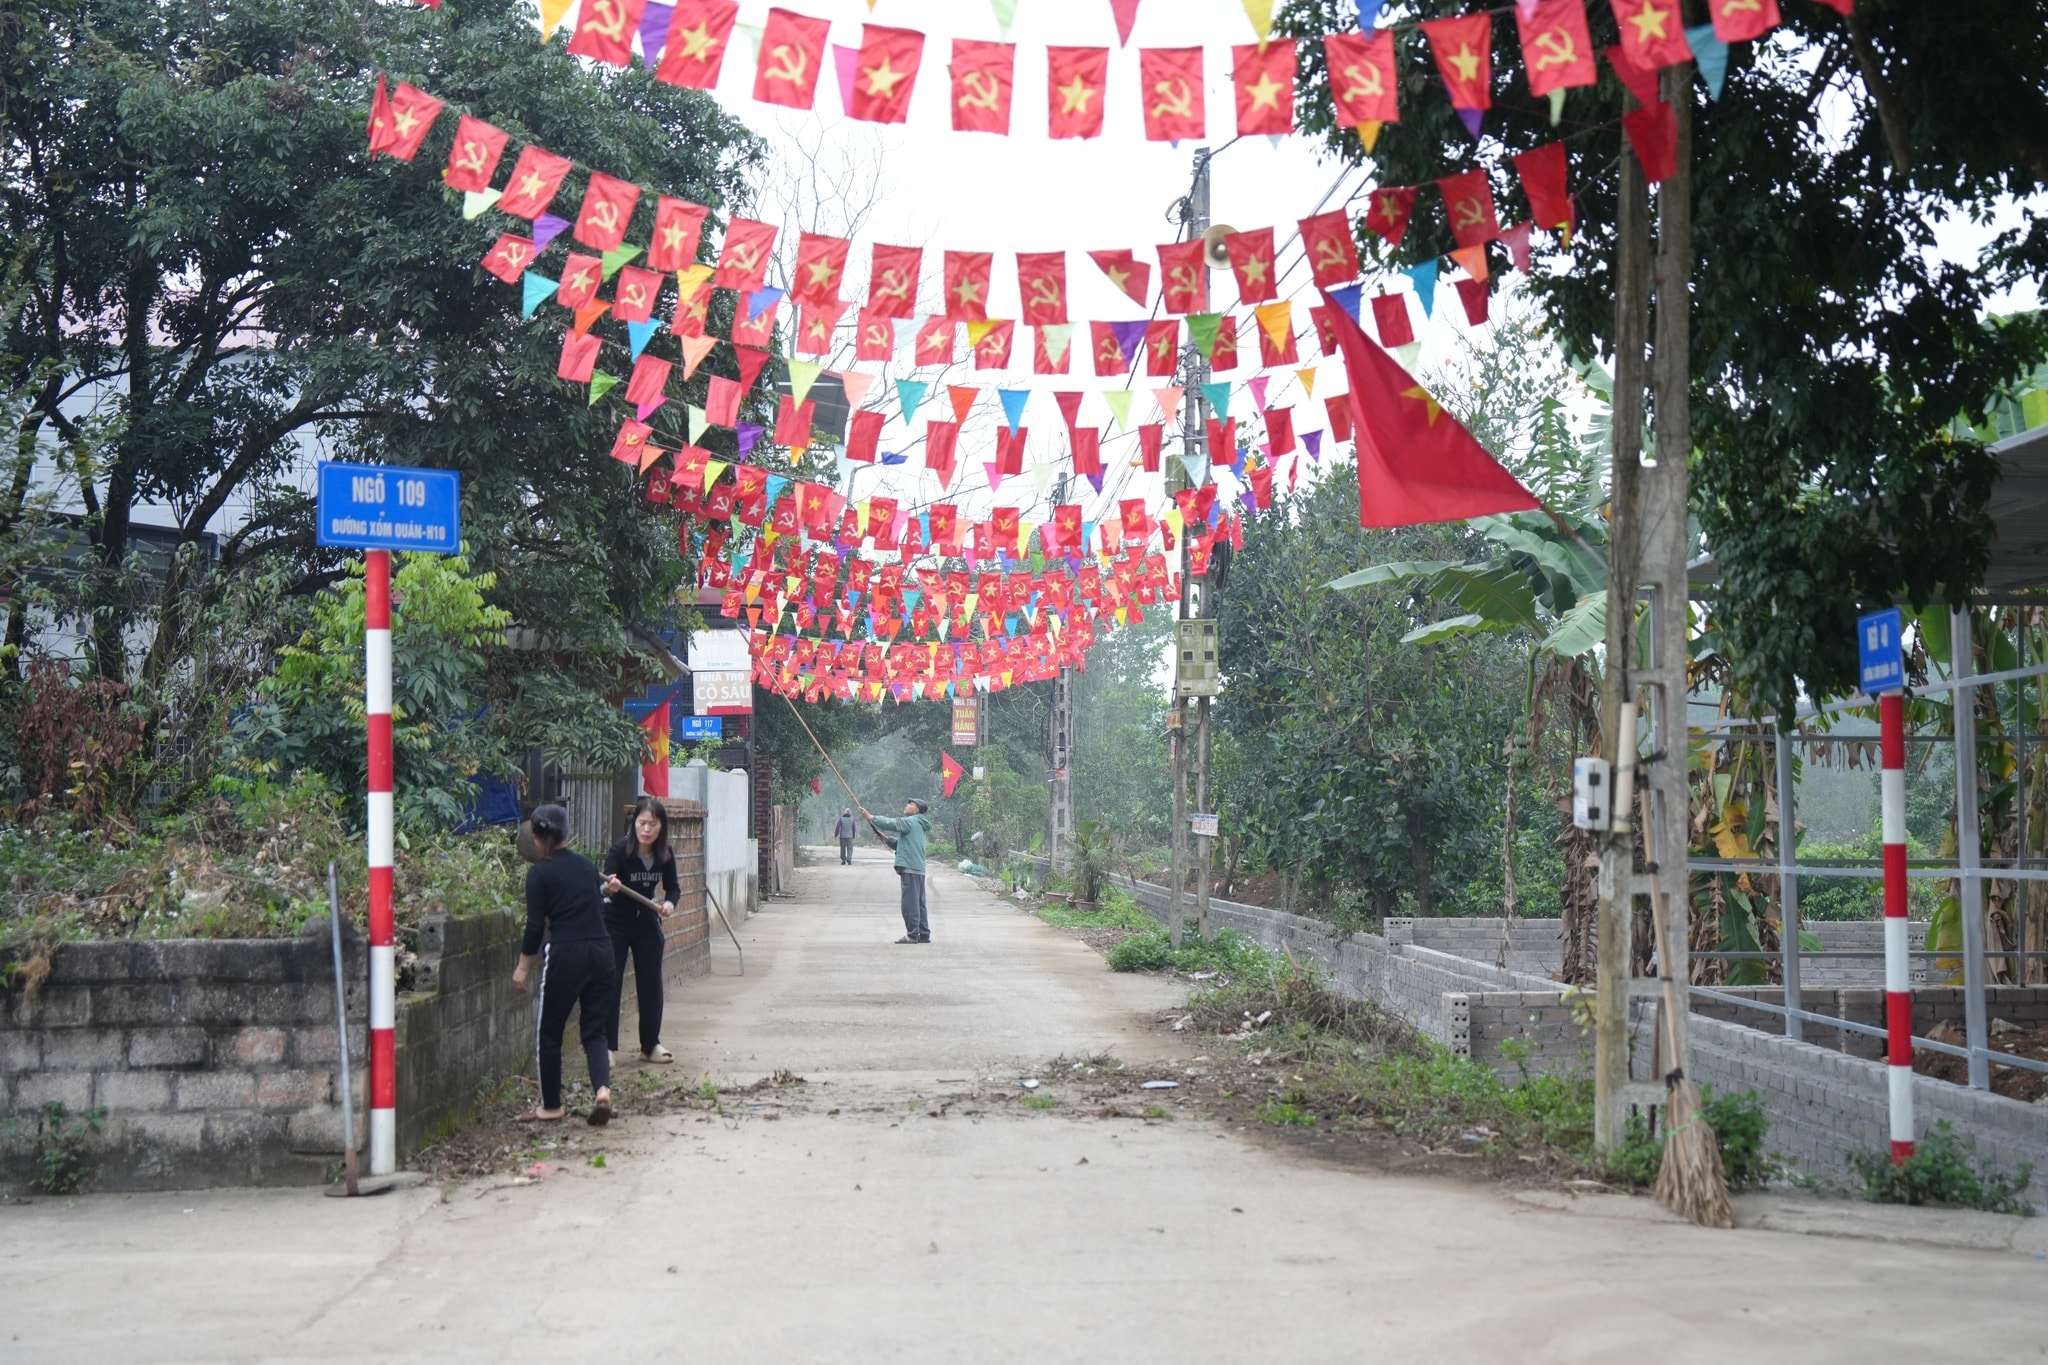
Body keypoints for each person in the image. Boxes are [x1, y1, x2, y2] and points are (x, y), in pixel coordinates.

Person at [511, 804, 615, 1125]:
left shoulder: (539, 874)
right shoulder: (586, 866)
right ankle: (602, 1092)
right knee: (595, 1033)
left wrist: (523, 966)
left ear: (538, 838)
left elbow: (534, 926)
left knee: (550, 1033)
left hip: (565, 954)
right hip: (601, 952)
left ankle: (552, 1106)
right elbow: (597, 905)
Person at [602, 796, 679, 1066]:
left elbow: (673, 887)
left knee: (651, 984)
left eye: (652, 824)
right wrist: (608, 886)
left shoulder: (665, 854)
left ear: (661, 827)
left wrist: (669, 904)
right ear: (634, 823)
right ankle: (606, 1047)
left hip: (647, 921)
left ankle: (650, 1045)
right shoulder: (620, 851)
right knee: (610, 983)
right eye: (642, 823)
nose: (646, 829)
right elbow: (603, 885)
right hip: (615, 923)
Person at [861, 798, 933, 944]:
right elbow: (901, 845)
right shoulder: (917, 824)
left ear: (916, 809)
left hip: (910, 867)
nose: (906, 805)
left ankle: (912, 935)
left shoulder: (910, 821)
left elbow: (892, 823)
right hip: (918, 868)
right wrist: (886, 839)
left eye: (910, 804)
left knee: (909, 903)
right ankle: (923, 934)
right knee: (919, 902)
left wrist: (871, 817)